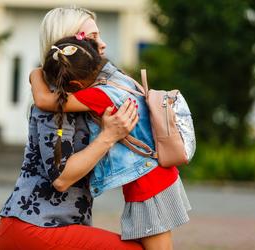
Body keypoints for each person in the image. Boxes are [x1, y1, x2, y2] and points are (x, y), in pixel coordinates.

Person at [30, 8, 192, 249]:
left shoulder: (100, 93)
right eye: (93, 38)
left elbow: (45, 100)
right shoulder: (115, 77)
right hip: (151, 177)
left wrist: (36, 73)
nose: (103, 45)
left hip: (147, 182)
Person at [0, 7, 142, 250]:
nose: (103, 44)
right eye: (93, 37)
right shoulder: (53, 103)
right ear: (67, 44)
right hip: (34, 227)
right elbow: (61, 178)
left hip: (57, 226)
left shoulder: (79, 96)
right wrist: (108, 136)